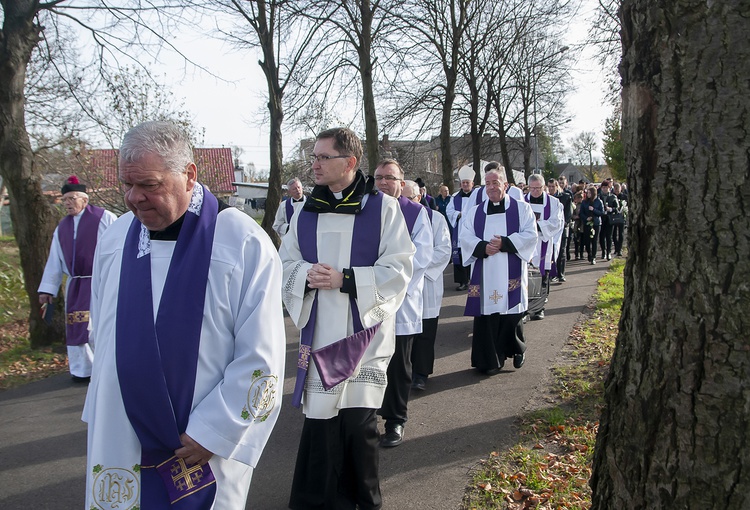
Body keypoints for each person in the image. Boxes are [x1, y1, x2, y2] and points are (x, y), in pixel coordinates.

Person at [82, 121, 286, 509]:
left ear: (189, 175)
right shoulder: (114, 238)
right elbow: (102, 333)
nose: (134, 198)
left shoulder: (242, 242)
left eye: (150, 185)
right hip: (122, 431)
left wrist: (216, 430)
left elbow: (262, 354)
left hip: (198, 443)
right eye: (127, 185)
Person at [279, 128, 414, 510]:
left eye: (323, 158)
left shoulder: (383, 208)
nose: (315, 165)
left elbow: (400, 267)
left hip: (363, 337)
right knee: (320, 422)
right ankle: (318, 501)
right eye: (314, 157)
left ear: (350, 162)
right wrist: (303, 274)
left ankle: (363, 500)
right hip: (320, 332)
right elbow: (284, 261)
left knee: (358, 423)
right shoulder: (305, 211)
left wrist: (346, 279)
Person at [374, 163, 433, 448]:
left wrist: (388, 280)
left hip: (401, 301)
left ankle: (396, 420)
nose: (384, 182)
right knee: (370, 363)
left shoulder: (416, 212)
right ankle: (368, 415)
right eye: (379, 177)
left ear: (401, 182)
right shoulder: (364, 210)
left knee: (398, 366)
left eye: (390, 178)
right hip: (368, 299)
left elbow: (422, 255)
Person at [38, 176, 117, 383]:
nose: (68, 204)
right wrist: (48, 289)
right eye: (64, 200)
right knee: (77, 328)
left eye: (72, 198)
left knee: (98, 327)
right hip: (76, 284)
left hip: (100, 281)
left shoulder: (104, 218)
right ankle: (83, 370)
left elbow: (118, 247)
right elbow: (54, 260)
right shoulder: (61, 227)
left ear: (84, 199)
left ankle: (106, 368)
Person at [459, 168, 537, 374]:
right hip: (485, 269)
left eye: (496, 182)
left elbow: (531, 234)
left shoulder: (521, 209)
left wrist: (505, 242)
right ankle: (491, 361)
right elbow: (464, 235)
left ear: (506, 185)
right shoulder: (475, 211)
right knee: (487, 315)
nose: (492, 187)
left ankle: (517, 349)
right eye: (488, 183)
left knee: (511, 313)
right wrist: (482, 247)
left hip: (510, 269)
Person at [405, 180, 451, 392]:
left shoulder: (436, 219)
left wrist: (418, 266)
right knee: (403, 332)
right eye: (402, 198)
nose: (406, 202)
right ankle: (402, 372)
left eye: (410, 198)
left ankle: (421, 373)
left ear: (420, 197)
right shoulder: (392, 217)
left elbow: (444, 250)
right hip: (403, 284)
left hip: (427, 284)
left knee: (425, 331)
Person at [524, 174, 564, 320]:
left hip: (544, 244)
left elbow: (557, 223)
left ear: (544, 187)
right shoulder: (521, 202)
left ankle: (539, 308)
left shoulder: (554, 203)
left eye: (538, 188)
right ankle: (524, 309)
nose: (535, 191)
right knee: (525, 277)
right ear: (528, 187)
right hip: (526, 245)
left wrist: (537, 225)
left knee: (543, 276)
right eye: (532, 188)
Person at [446, 166, 483, 291]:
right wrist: (458, 214)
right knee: (459, 257)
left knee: (472, 255)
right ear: (461, 184)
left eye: (468, 182)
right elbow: (449, 211)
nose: (465, 184)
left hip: (473, 231)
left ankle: (473, 280)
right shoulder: (455, 196)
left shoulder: (478, 196)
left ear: (472, 184)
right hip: (460, 230)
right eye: (463, 183)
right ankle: (462, 282)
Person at [547, 178, 573, 283]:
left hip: (562, 228)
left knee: (561, 251)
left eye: (553, 186)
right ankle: (552, 273)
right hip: (550, 230)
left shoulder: (566, 197)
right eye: (549, 186)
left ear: (557, 187)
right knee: (550, 252)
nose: (551, 189)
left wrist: (563, 224)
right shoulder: (546, 199)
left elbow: (568, 213)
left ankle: (561, 273)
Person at [580, 186, 605, 264]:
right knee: (587, 240)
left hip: (596, 223)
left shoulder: (599, 201)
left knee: (594, 240)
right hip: (587, 223)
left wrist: (594, 210)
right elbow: (581, 213)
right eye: (587, 193)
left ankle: (593, 257)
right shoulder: (584, 202)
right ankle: (589, 253)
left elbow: (602, 212)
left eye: (589, 193)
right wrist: (586, 218)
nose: (588, 194)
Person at [597, 180, 620, 260]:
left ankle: (608, 252)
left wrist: (611, 209)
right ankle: (603, 251)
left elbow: (617, 209)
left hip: (610, 219)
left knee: (609, 236)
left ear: (609, 188)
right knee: (601, 236)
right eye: (603, 187)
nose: (604, 189)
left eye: (606, 187)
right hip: (601, 218)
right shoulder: (598, 197)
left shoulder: (613, 197)